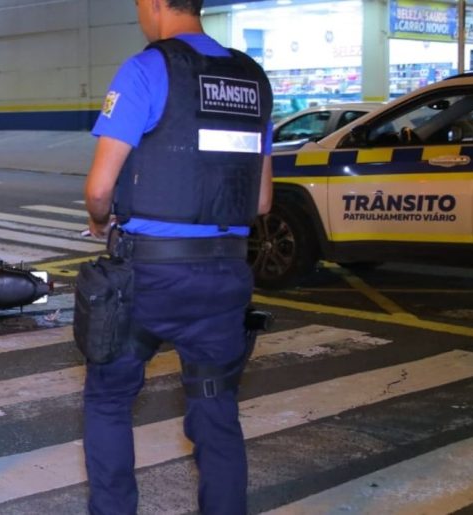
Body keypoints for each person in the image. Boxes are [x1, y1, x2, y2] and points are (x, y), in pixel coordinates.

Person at [80, 0, 274, 513]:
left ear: (152, 4)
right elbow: (261, 201)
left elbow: (99, 188)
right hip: (225, 275)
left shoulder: (146, 68)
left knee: (108, 399)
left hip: (147, 277)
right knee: (216, 410)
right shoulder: (252, 79)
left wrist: (101, 221)